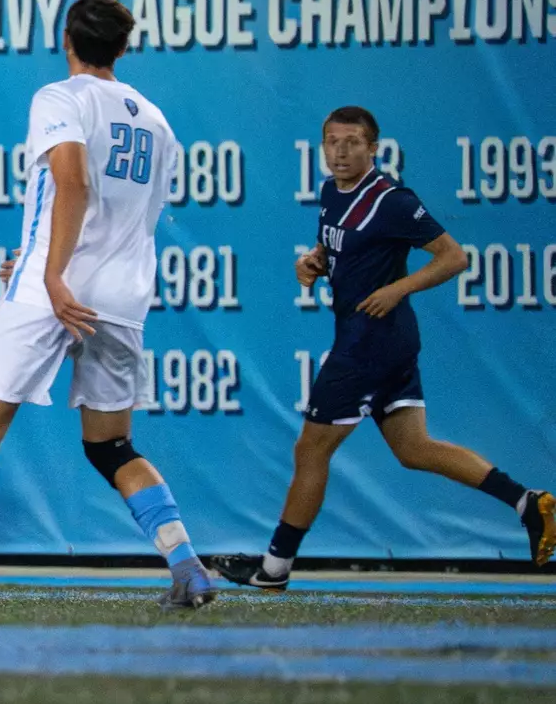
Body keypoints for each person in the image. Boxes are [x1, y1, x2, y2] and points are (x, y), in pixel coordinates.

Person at [0, 0, 215, 611]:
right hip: (122, 294)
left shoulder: (61, 97)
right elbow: (139, 217)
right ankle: (187, 567)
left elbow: (73, 182)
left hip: (56, 288)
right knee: (111, 446)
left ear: (67, 40)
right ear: (124, 48)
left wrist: (48, 272)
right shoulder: (157, 122)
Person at [208, 107, 555, 589]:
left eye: (352, 142)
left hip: (367, 344)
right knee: (414, 448)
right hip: (383, 342)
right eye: (332, 141)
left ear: (374, 148)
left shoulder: (391, 199)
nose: (340, 151)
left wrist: (399, 288)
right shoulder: (331, 192)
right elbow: (338, 250)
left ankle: (274, 568)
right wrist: (315, 262)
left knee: (310, 450)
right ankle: (527, 502)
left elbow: (454, 257)